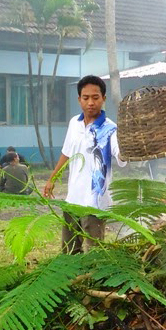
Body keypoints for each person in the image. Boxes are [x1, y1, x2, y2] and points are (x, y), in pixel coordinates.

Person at [44, 75, 126, 254]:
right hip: (73, 198)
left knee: (95, 252)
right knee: (70, 249)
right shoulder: (74, 123)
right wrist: (52, 179)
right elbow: (66, 153)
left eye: (95, 98)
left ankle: (94, 281)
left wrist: (131, 145)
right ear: (79, 99)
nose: (90, 103)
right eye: (86, 98)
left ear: (103, 99)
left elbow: (121, 153)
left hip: (94, 202)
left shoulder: (110, 129)